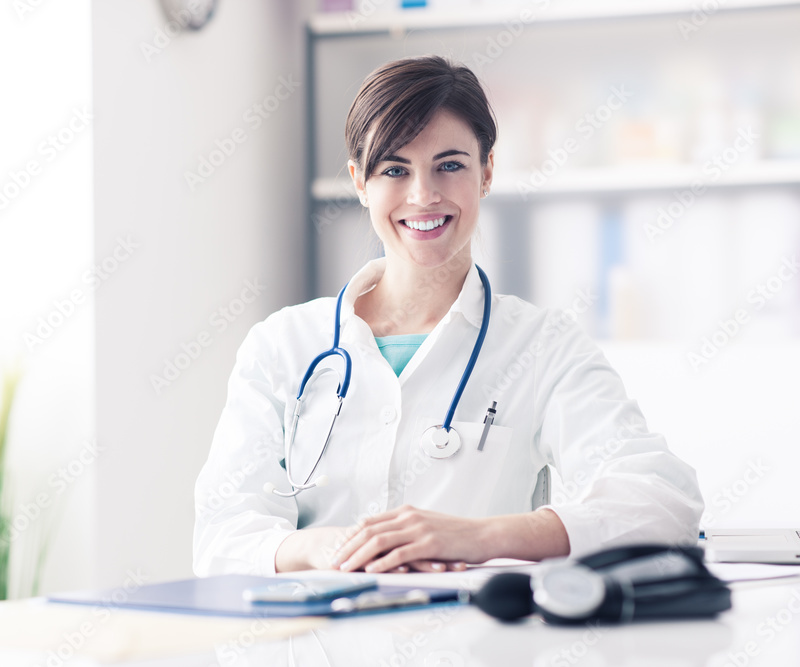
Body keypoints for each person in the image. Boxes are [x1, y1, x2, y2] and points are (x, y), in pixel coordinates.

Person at [193, 55, 703, 576]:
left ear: (485, 174)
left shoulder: (542, 345)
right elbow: (223, 536)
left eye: (450, 165)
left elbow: (663, 502)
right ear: (359, 183)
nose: (423, 195)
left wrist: (477, 538)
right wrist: (324, 549)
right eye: (394, 169)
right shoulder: (283, 344)